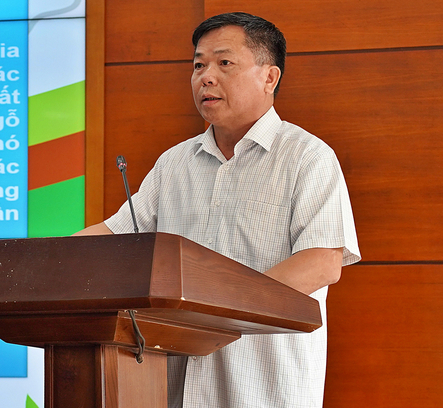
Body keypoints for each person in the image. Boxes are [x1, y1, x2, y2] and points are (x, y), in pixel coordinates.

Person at [75, 12, 360, 408]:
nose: (205, 77)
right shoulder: (175, 163)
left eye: (224, 63)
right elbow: (115, 235)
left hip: (262, 389)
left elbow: (321, 262)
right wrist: (37, 261)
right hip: (172, 386)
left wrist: (212, 314)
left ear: (269, 77)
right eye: (198, 65)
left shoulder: (307, 158)